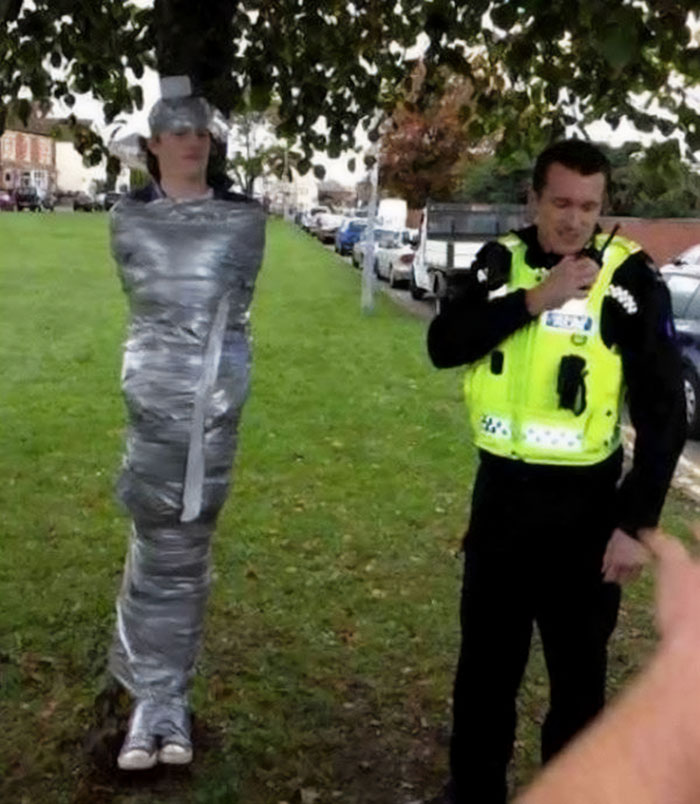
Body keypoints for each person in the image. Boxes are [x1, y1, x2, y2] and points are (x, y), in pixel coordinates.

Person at [425, 139, 686, 803]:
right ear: (535, 199)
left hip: (585, 513)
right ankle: (473, 791)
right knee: (484, 675)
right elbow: (444, 343)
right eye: (562, 203)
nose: (575, 219)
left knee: (577, 683)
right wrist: (534, 298)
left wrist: (635, 522)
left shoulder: (628, 279)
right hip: (501, 504)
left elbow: (663, 415)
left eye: (589, 206)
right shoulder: (500, 263)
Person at [107, 78, 265, 770]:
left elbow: (231, 320)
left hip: (211, 415)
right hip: (152, 413)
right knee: (154, 554)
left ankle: (170, 703)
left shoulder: (243, 219)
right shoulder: (127, 217)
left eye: (201, 132)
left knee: (188, 557)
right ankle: (150, 706)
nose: (193, 142)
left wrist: (211, 396)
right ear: (154, 145)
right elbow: (149, 312)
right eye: (179, 132)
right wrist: (158, 387)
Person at [516, 529, 700, 804]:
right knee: (483, 678)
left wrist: (634, 524)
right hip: (499, 526)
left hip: (589, 541)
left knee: (578, 691)